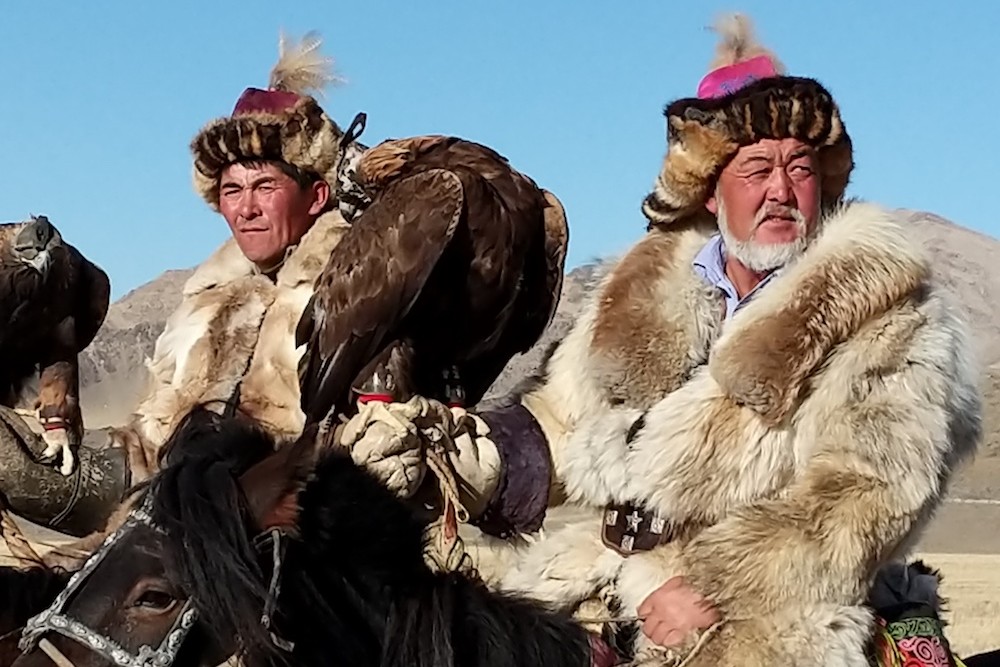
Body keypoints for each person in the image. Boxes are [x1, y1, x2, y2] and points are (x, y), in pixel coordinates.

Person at [336, 14, 981, 666]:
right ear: (709, 187)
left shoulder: (892, 315)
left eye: (800, 168)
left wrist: (711, 587)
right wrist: (458, 454)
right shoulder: (637, 292)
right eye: (757, 167)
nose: (781, 189)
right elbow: (560, 429)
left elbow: (867, 495)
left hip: (777, 607)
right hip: (598, 578)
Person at [0, 32, 368, 541]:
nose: (246, 208)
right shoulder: (208, 297)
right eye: (232, 190)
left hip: (270, 523)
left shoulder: (352, 290)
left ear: (316, 194)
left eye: (265, 187)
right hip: (158, 492)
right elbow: (150, 441)